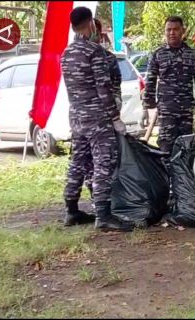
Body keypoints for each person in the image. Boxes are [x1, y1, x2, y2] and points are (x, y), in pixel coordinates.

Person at [61, 7, 132, 231]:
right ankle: (103, 214)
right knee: (104, 162)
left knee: (78, 162)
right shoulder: (94, 52)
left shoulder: (67, 54)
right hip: (97, 118)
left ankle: (71, 210)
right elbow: (103, 89)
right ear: (91, 23)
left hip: (77, 117)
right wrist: (115, 117)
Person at [142, 16, 195, 172]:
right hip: (167, 111)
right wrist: (146, 108)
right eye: (168, 30)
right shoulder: (158, 55)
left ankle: (184, 186)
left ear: (183, 31)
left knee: (186, 148)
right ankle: (168, 187)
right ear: (165, 32)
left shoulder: (192, 55)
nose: (172, 33)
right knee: (166, 149)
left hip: (186, 111)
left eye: (175, 29)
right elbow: (150, 82)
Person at [83, 18, 123, 202]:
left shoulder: (109, 58)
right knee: (88, 161)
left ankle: (107, 200)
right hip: (86, 118)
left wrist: (116, 107)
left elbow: (115, 85)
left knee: (107, 158)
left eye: (97, 32)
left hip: (106, 117)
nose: (95, 36)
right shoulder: (79, 56)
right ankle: (96, 199)